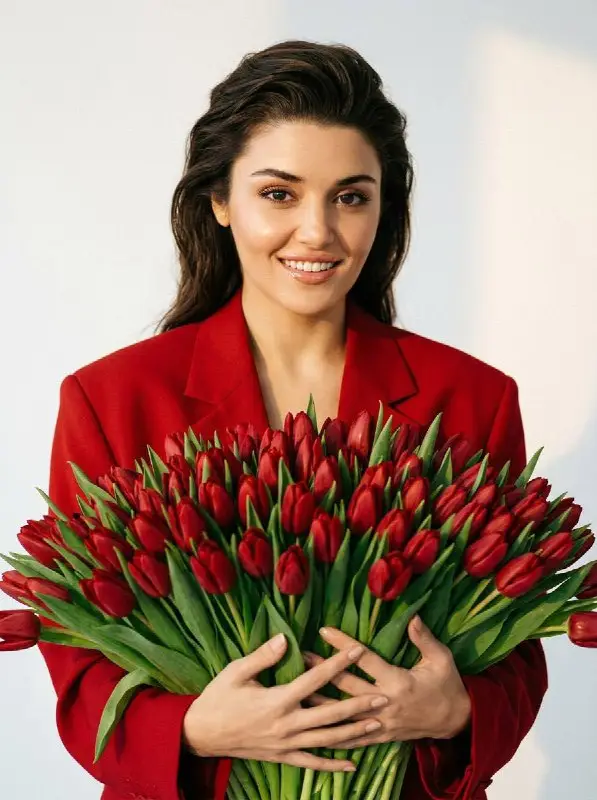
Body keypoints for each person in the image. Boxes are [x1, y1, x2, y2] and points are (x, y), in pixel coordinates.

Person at [41, 40, 548, 800]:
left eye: (350, 196)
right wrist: (194, 730)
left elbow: (516, 646)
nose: (317, 232)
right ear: (219, 201)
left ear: (384, 209)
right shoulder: (112, 399)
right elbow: (78, 654)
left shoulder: (471, 397)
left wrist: (456, 713)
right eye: (278, 194)